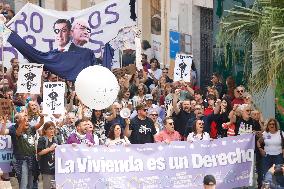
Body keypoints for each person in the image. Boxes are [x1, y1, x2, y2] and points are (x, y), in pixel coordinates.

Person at [5, 16, 97, 81]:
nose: (60, 35)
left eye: (64, 31)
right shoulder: (52, 56)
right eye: (57, 31)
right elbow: (29, 51)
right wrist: (6, 32)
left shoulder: (87, 54)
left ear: (70, 33)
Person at [0, 112, 44, 189]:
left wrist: (42, 117)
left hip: (32, 158)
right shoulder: (13, 128)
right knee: (24, 182)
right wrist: (4, 123)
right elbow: (5, 133)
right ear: (17, 119)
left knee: (31, 182)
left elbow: (40, 124)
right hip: (21, 160)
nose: (26, 117)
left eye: (26, 116)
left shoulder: (30, 127)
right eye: (23, 116)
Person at [37, 121, 61, 189]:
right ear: (45, 130)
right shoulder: (42, 139)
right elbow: (39, 152)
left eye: (53, 128)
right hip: (46, 169)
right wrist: (50, 149)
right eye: (50, 129)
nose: (52, 130)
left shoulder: (57, 139)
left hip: (56, 169)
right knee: (47, 187)